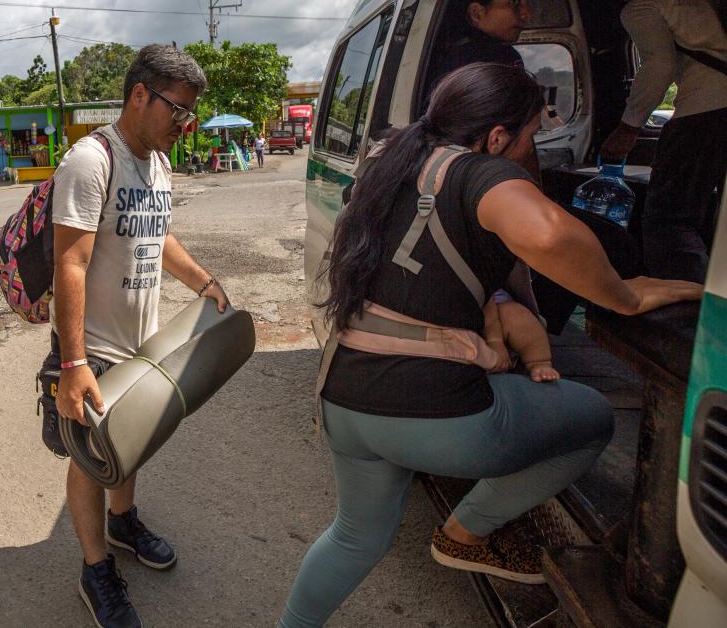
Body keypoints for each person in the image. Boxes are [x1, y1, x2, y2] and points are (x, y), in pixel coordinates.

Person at [279, 63, 700, 627]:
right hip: (440, 419)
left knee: (354, 538)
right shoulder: (478, 172)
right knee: (592, 415)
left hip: (345, 400)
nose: (532, 149)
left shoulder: (392, 159)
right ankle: (465, 533)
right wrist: (624, 297)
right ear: (497, 136)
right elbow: (550, 234)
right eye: (529, 137)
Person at [44, 44, 230, 628]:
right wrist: (72, 363)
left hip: (142, 343)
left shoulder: (157, 163)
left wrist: (204, 282)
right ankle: (95, 567)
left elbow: (159, 235)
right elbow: (69, 264)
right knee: (91, 460)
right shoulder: (90, 161)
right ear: (140, 94)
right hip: (92, 349)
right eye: (180, 111)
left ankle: (122, 523)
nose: (188, 125)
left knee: (131, 443)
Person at [599, 0, 727, 283]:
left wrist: (628, 128)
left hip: (703, 116)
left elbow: (659, 65)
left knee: (670, 220)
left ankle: (687, 317)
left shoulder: (644, 7)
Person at [433, 0, 529, 81]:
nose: (526, 14)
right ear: (477, 13)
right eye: (514, 2)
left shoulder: (454, 59)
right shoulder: (494, 59)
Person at [484, 292, 558, 382]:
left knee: (514, 314)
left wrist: (494, 341)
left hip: (491, 316)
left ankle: (538, 361)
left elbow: (487, 306)